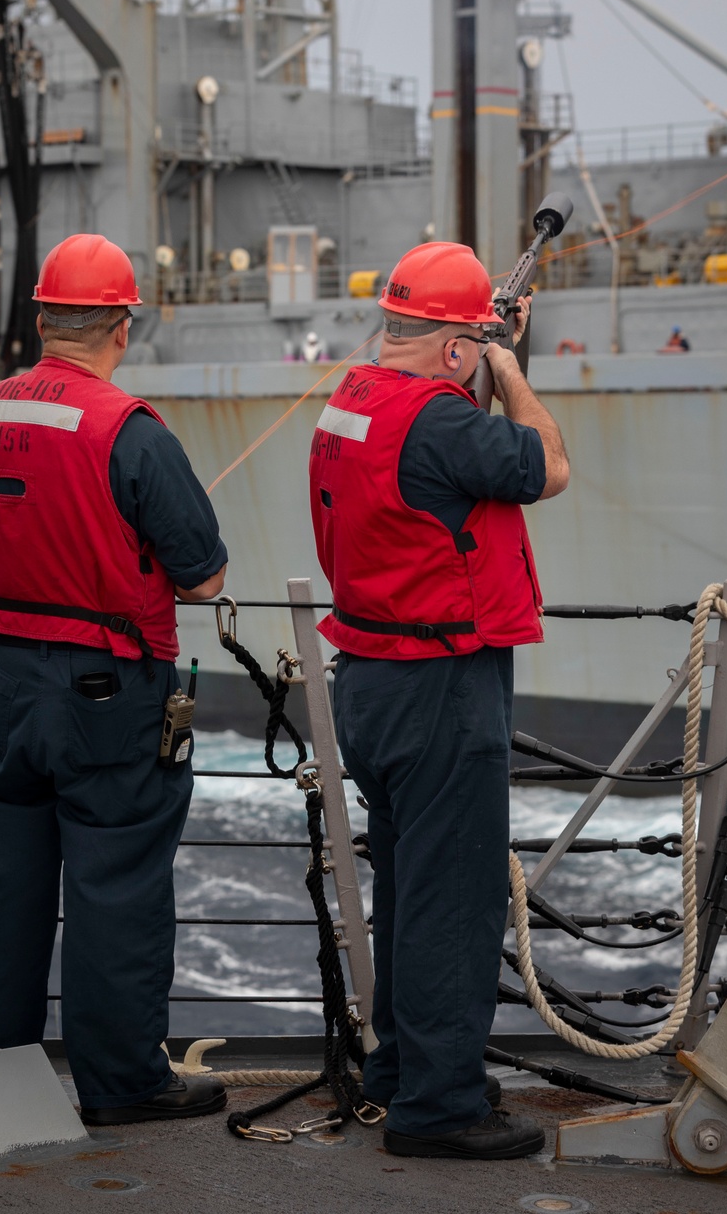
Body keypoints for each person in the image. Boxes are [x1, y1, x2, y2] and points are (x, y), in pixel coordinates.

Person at [0, 234, 229, 1127]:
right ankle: (122, 1085)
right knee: (116, 884)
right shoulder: (127, 428)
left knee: (5, 878)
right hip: (109, 690)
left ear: (38, 318)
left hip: (10, 680)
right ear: (121, 323)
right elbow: (204, 576)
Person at [308, 241, 570, 1160]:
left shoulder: (354, 398)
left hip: (369, 679)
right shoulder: (449, 417)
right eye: (474, 346)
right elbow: (544, 466)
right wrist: (508, 366)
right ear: (457, 348)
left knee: (409, 891)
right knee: (453, 902)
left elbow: (437, 459)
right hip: (443, 683)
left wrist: (480, 363)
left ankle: (403, 1072)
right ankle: (441, 1108)